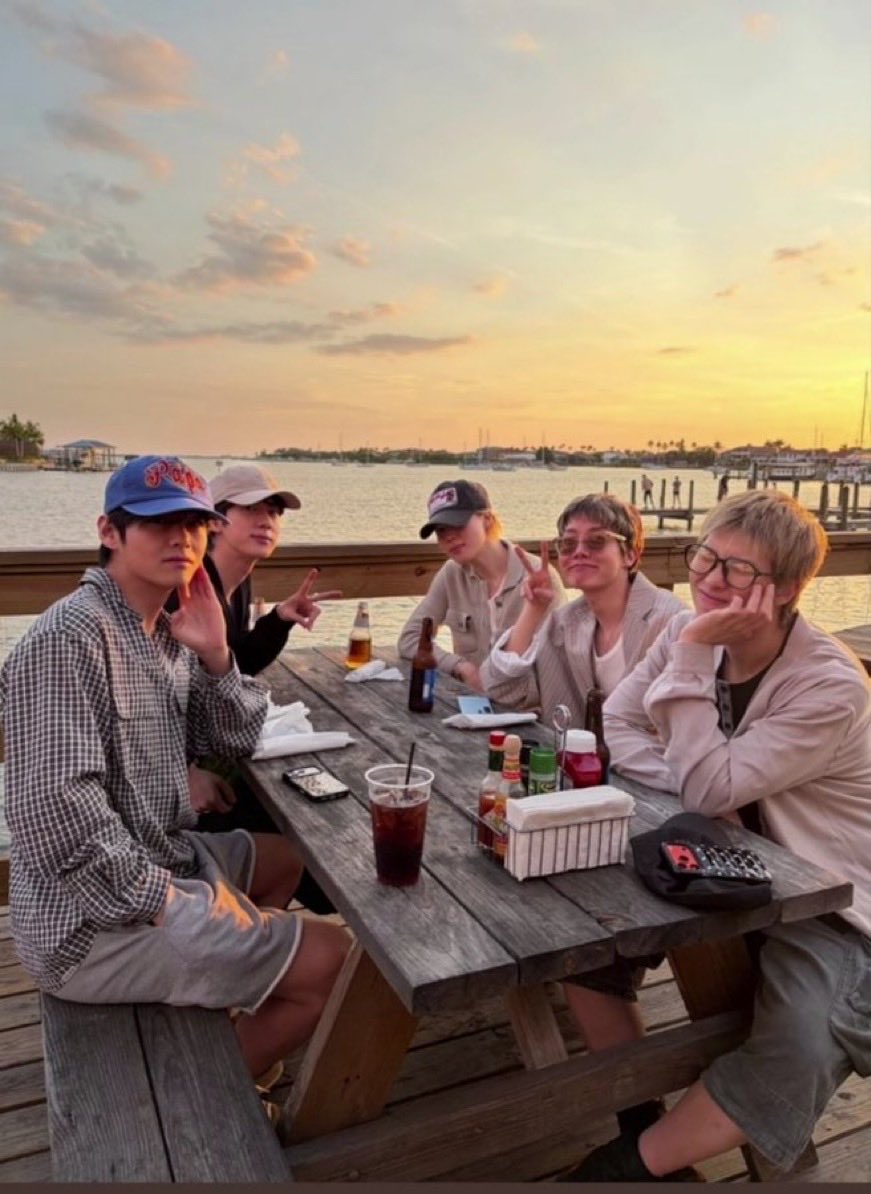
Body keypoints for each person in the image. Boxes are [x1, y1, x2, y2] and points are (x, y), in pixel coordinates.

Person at [0, 456, 349, 1105]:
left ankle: (237, 1013)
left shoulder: (165, 630)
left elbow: (232, 741)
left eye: (193, 523)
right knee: (334, 960)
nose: (180, 539)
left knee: (285, 860)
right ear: (110, 531)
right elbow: (56, 817)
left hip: (161, 856)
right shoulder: (67, 641)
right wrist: (172, 904)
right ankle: (210, 1096)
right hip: (87, 928)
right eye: (158, 523)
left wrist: (216, 655)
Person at [562, 489, 871, 1181]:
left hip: (828, 898)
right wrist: (704, 779)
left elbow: (706, 784)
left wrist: (696, 662)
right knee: (581, 937)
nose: (707, 579)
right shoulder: (688, 634)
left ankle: (629, 1168)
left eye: (736, 570)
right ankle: (638, 1112)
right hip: (721, 857)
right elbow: (621, 721)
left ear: (786, 589)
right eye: (705, 556)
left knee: (806, 1039)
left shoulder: (826, 685)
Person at [480, 493, 685, 727]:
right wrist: (533, 609)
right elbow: (501, 691)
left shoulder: (669, 621)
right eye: (568, 544)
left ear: (630, 555)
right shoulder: (564, 624)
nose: (579, 551)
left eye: (596, 541)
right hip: (577, 762)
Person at [398, 479, 566, 691]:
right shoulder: (452, 573)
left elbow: (557, 669)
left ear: (487, 519)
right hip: (472, 707)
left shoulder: (539, 579)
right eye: (440, 530)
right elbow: (410, 639)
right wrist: (461, 667)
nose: (449, 536)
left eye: (457, 524)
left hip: (529, 712)